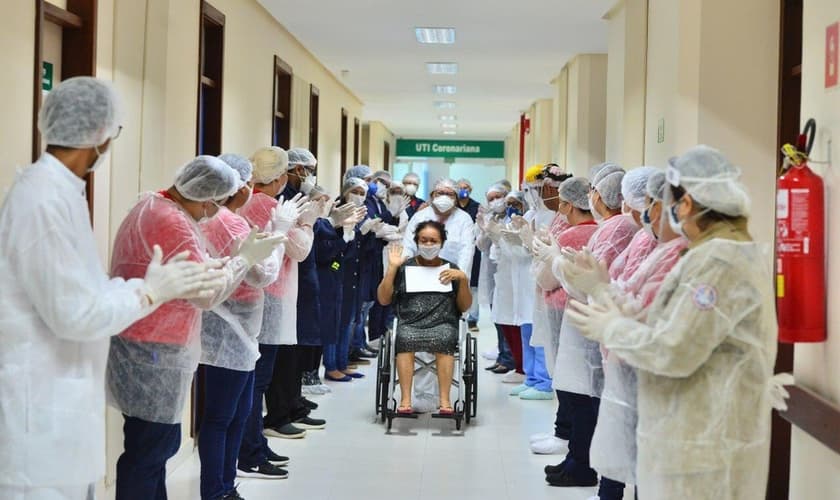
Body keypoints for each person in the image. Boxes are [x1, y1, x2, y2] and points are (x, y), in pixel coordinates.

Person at [0, 77, 225, 500]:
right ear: (99, 133)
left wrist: (140, 287)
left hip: (59, 400)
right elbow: (74, 313)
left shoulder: (62, 194)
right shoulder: (42, 200)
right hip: (37, 413)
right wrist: (147, 292)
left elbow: (82, 291)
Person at [565, 146, 779, 500]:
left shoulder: (720, 262)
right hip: (692, 438)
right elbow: (661, 322)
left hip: (705, 448)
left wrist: (611, 328)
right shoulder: (708, 252)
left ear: (688, 203)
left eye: (669, 202)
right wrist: (602, 291)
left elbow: (672, 350)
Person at [107, 155, 285, 500]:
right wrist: (242, 260)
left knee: (152, 449)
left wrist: (219, 264)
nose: (212, 213)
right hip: (155, 346)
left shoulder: (151, 205)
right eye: (215, 204)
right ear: (206, 197)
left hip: (144, 342)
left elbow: (192, 268)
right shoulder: (172, 221)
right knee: (149, 451)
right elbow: (206, 294)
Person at [544, 163, 638, 488]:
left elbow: (589, 284)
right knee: (586, 401)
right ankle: (581, 464)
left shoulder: (616, 229)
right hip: (599, 325)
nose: (591, 195)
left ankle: (585, 468)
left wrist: (557, 263)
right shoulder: (613, 229)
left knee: (590, 403)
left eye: (595, 190)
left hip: (602, 326)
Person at [197, 154, 283, 499]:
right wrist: (279, 235)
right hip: (227, 328)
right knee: (222, 416)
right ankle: (215, 490)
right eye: (248, 182)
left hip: (237, 327)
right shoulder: (228, 223)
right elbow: (262, 274)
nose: (252, 188)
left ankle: (225, 485)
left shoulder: (219, 220)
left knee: (236, 413)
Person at [236, 146, 312, 472]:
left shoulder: (247, 203)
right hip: (270, 296)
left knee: (255, 380)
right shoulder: (268, 205)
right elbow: (299, 249)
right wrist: (307, 224)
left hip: (256, 294)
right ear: (281, 177)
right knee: (259, 380)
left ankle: (255, 445)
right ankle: (251, 450)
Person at [531, 175, 598, 457]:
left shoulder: (569, 235)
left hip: (563, 310)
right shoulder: (600, 231)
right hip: (588, 312)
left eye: (561, 201)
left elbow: (546, 280)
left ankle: (565, 434)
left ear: (569, 205)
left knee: (567, 379)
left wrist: (541, 257)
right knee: (580, 380)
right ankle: (565, 433)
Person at [377, 221, 472, 414]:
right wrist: (392, 269)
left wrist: (463, 279)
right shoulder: (404, 268)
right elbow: (384, 299)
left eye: (433, 241)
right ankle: (405, 400)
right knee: (404, 337)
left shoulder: (451, 269)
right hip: (410, 323)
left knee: (445, 337)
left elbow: (464, 306)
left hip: (443, 323)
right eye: (424, 240)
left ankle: (444, 400)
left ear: (442, 243)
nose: (428, 245)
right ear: (417, 242)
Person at [263, 147, 325, 438]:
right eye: (307, 170)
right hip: (277, 284)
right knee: (281, 357)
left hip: (293, 283)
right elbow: (298, 246)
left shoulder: (296, 196)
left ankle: (292, 406)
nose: (310, 175)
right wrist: (309, 223)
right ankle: (279, 413)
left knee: (292, 353)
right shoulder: (280, 201)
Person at [401, 177, 476, 412]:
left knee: (442, 335)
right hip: (418, 283)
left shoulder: (463, 220)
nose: (444, 197)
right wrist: (402, 273)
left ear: (456, 197)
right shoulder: (420, 217)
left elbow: (466, 252)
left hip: (448, 286)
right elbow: (407, 248)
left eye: (449, 193)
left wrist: (460, 279)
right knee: (416, 335)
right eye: (439, 193)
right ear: (432, 195)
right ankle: (422, 394)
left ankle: (441, 395)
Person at [325, 178, 371, 381]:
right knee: (335, 322)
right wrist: (348, 231)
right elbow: (334, 249)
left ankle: (342, 363)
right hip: (338, 271)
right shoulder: (337, 211)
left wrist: (363, 232)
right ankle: (331, 365)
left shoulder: (361, 213)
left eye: (362, 193)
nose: (359, 196)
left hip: (354, 274)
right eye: (355, 191)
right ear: (345, 191)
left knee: (348, 321)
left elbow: (359, 247)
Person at [490, 191, 532, 386]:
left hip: (524, 279)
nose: (511, 207)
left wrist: (504, 240)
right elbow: (496, 254)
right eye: (508, 204)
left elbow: (524, 252)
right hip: (507, 277)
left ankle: (526, 370)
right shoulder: (506, 222)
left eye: (515, 203)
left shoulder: (529, 219)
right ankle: (520, 367)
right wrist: (496, 238)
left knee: (523, 327)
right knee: (507, 322)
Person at [475, 183, 515, 374]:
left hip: (510, 273)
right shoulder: (489, 217)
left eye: (498, 196)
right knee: (497, 316)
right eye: (490, 199)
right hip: (493, 274)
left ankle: (510, 359)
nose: (495, 201)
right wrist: (484, 230)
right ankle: (502, 356)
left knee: (508, 319)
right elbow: (482, 246)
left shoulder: (514, 216)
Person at [456, 178, 482, 332]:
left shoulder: (477, 207)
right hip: (456, 249)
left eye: (466, 187)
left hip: (474, 250)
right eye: (460, 187)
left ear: (470, 190)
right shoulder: (452, 206)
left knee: (473, 285)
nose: (463, 190)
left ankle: (473, 319)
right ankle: (456, 314)